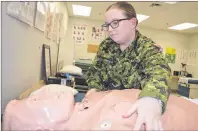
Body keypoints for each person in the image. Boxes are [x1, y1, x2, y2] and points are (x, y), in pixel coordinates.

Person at [85, 1, 171, 131]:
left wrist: (151, 99)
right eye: (107, 25)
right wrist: (93, 91)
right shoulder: (106, 46)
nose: (109, 30)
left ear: (132, 23)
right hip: (105, 108)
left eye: (115, 23)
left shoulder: (147, 48)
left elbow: (160, 72)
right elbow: (95, 73)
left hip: (131, 112)